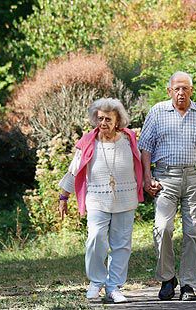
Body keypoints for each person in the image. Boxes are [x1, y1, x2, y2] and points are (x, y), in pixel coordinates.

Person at [138, 71, 196, 301]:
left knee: (193, 232)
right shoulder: (157, 112)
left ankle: (188, 284)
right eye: (176, 88)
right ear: (169, 91)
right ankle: (167, 279)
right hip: (165, 177)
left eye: (185, 88)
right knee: (163, 228)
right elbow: (145, 147)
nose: (180, 92)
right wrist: (147, 177)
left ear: (191, 91)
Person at [57, 98, 144, 303]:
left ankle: (113, 287)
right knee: (95, 238)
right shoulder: (88, 141)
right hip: (97, 198)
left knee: (122, 244)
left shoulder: (129, 139)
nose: (103, 123)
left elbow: (141, 163)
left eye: (108, 119)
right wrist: (64, 196)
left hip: (125, 198)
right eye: (100, 118)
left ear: (118, 120)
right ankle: (96, 281)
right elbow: (74, 169)